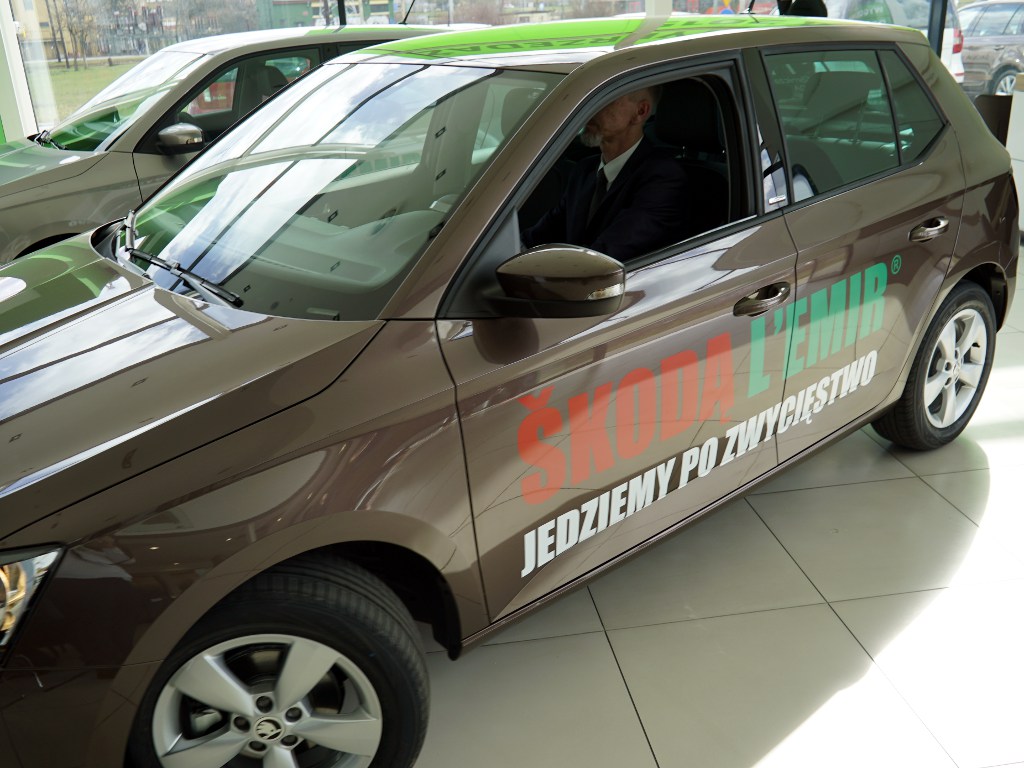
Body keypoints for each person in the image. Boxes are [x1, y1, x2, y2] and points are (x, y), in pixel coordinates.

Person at [520, 86, 689, 263]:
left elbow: (604, 257)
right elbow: (540, 235)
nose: (589, 109)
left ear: (640, 112)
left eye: (606, 99)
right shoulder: (584, 170)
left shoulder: (662, 179)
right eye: (589, 99)